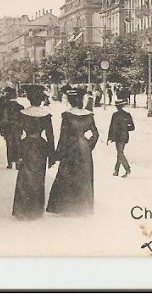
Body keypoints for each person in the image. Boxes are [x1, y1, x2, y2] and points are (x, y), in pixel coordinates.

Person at [47, 87, 99, 216]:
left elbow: (63, 136)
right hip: (84, 149)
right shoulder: (89, 115)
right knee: (83, 176)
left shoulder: (67, 115)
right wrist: (88, 145)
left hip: (71, 147)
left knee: (68, 176)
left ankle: (67, 207)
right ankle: (82, 207)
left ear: (70, 101)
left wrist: (57, 154)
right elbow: (95, 134)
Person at [12, 85, 55, 220]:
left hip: (26, 145)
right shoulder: (46, 115)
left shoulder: (22, 114)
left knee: (24, 178)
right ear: (41, 99)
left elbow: (17, 135)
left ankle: (23, 210)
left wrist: (17, 154)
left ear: (29, 99)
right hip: (41, 147)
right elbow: (50, 136)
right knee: (38, 178)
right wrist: (52, 155)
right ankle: (35, 210)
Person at [107, 98, 136, 177]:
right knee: (119, 153)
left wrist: (109, 137)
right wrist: (126, 129)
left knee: (120, 153)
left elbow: (111, 127)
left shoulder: (116, 115)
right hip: (123, 136)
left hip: (118, 136)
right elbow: (132, 127)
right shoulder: (126, 115)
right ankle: (116, 171)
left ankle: (127, 169)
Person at [0, 88, 24, 169]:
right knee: (18, 145)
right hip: (17, 129)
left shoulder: (4, 107)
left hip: (7, 129)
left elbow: (1, 118)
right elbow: (22, 119)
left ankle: (10, 163)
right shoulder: (20, 107)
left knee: (9, 145)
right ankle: (17, 163)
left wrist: (1, 129)